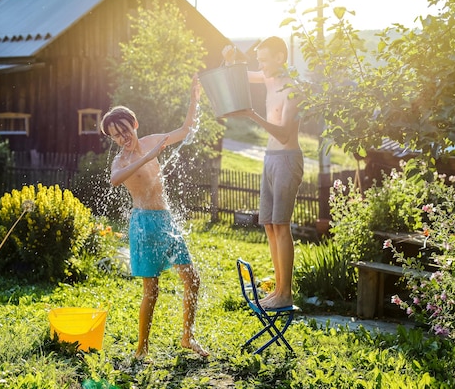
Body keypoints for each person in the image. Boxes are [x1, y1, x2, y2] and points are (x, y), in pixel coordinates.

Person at [100, 74, 209, 360]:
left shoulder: (151, 140)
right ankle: (142, 349)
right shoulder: (120, 161)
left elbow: (185, 130)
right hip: (144, 224)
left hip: (166, 220)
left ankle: (188, 337)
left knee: (192, 279)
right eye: (115, 136)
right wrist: (145, 158)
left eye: (125, 130)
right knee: (152, 289)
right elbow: (114, 180)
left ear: (134, 124)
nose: (123, 138)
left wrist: (193, 99)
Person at [222, 36, 303, 309]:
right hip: (269, 159)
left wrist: (252, 115)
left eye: (265, 60)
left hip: (287, 159)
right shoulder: (268, 79)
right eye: (260, 60)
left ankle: (286, 294)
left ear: (281, 58)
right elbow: (242, 76)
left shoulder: (292, 90)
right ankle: (278, 291)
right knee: (269, 225)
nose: (261, 65)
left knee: (281, 225)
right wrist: (230, 61)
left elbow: (283, 134)